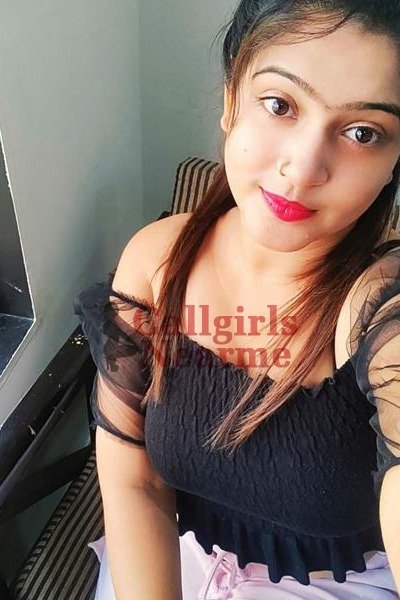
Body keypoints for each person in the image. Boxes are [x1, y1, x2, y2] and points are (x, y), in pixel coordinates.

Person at [74, 1, 400, 598]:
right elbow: (135, 482)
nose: (302, 168)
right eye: (280, 104)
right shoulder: (157, 261)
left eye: (363, 133)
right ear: (231, 100)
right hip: (172, 557)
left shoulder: (382, 312)